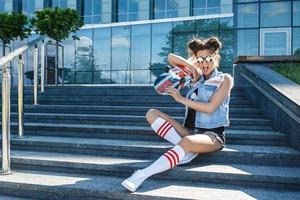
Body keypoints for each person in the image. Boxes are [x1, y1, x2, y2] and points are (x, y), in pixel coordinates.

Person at [122, 36, 234, 192]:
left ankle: (141, 174)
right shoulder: (195, 78)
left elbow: (210, 108)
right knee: (152, 113)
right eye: (200, 60)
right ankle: (186, 151)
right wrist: (193, 66)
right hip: (189, 130)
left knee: (188, 140)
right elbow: (171, 58)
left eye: (207, 59)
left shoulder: (224, 79)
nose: (204, 63)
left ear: (215, 57)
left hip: (212, 135)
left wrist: (181, 99)